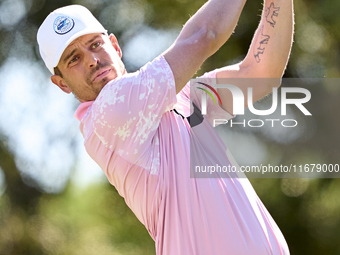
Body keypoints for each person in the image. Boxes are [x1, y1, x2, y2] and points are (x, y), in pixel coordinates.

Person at [37, 0, 293, 254]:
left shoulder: (181, 98)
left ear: (114, 46)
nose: (92, 60)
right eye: (74, 59)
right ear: (62, 84)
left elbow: (261, 73)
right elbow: (205, 34)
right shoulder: (108, 114)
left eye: (96, 44)